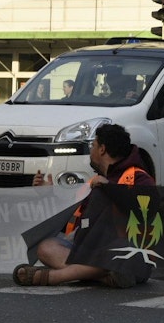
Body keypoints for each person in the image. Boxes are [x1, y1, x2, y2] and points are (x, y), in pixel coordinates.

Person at [13, 123, 155, 288]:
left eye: (93, 145)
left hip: (126, 252)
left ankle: (53, 277)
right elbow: (71, 212)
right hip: (89, 249)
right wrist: (48, 193)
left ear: (102, 149)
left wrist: (109, 188)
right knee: (46, 247)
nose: (91, 150)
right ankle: (103, 276)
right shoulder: (95, 180)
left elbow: (147, 209)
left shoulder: (139, 178)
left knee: (117, 254)